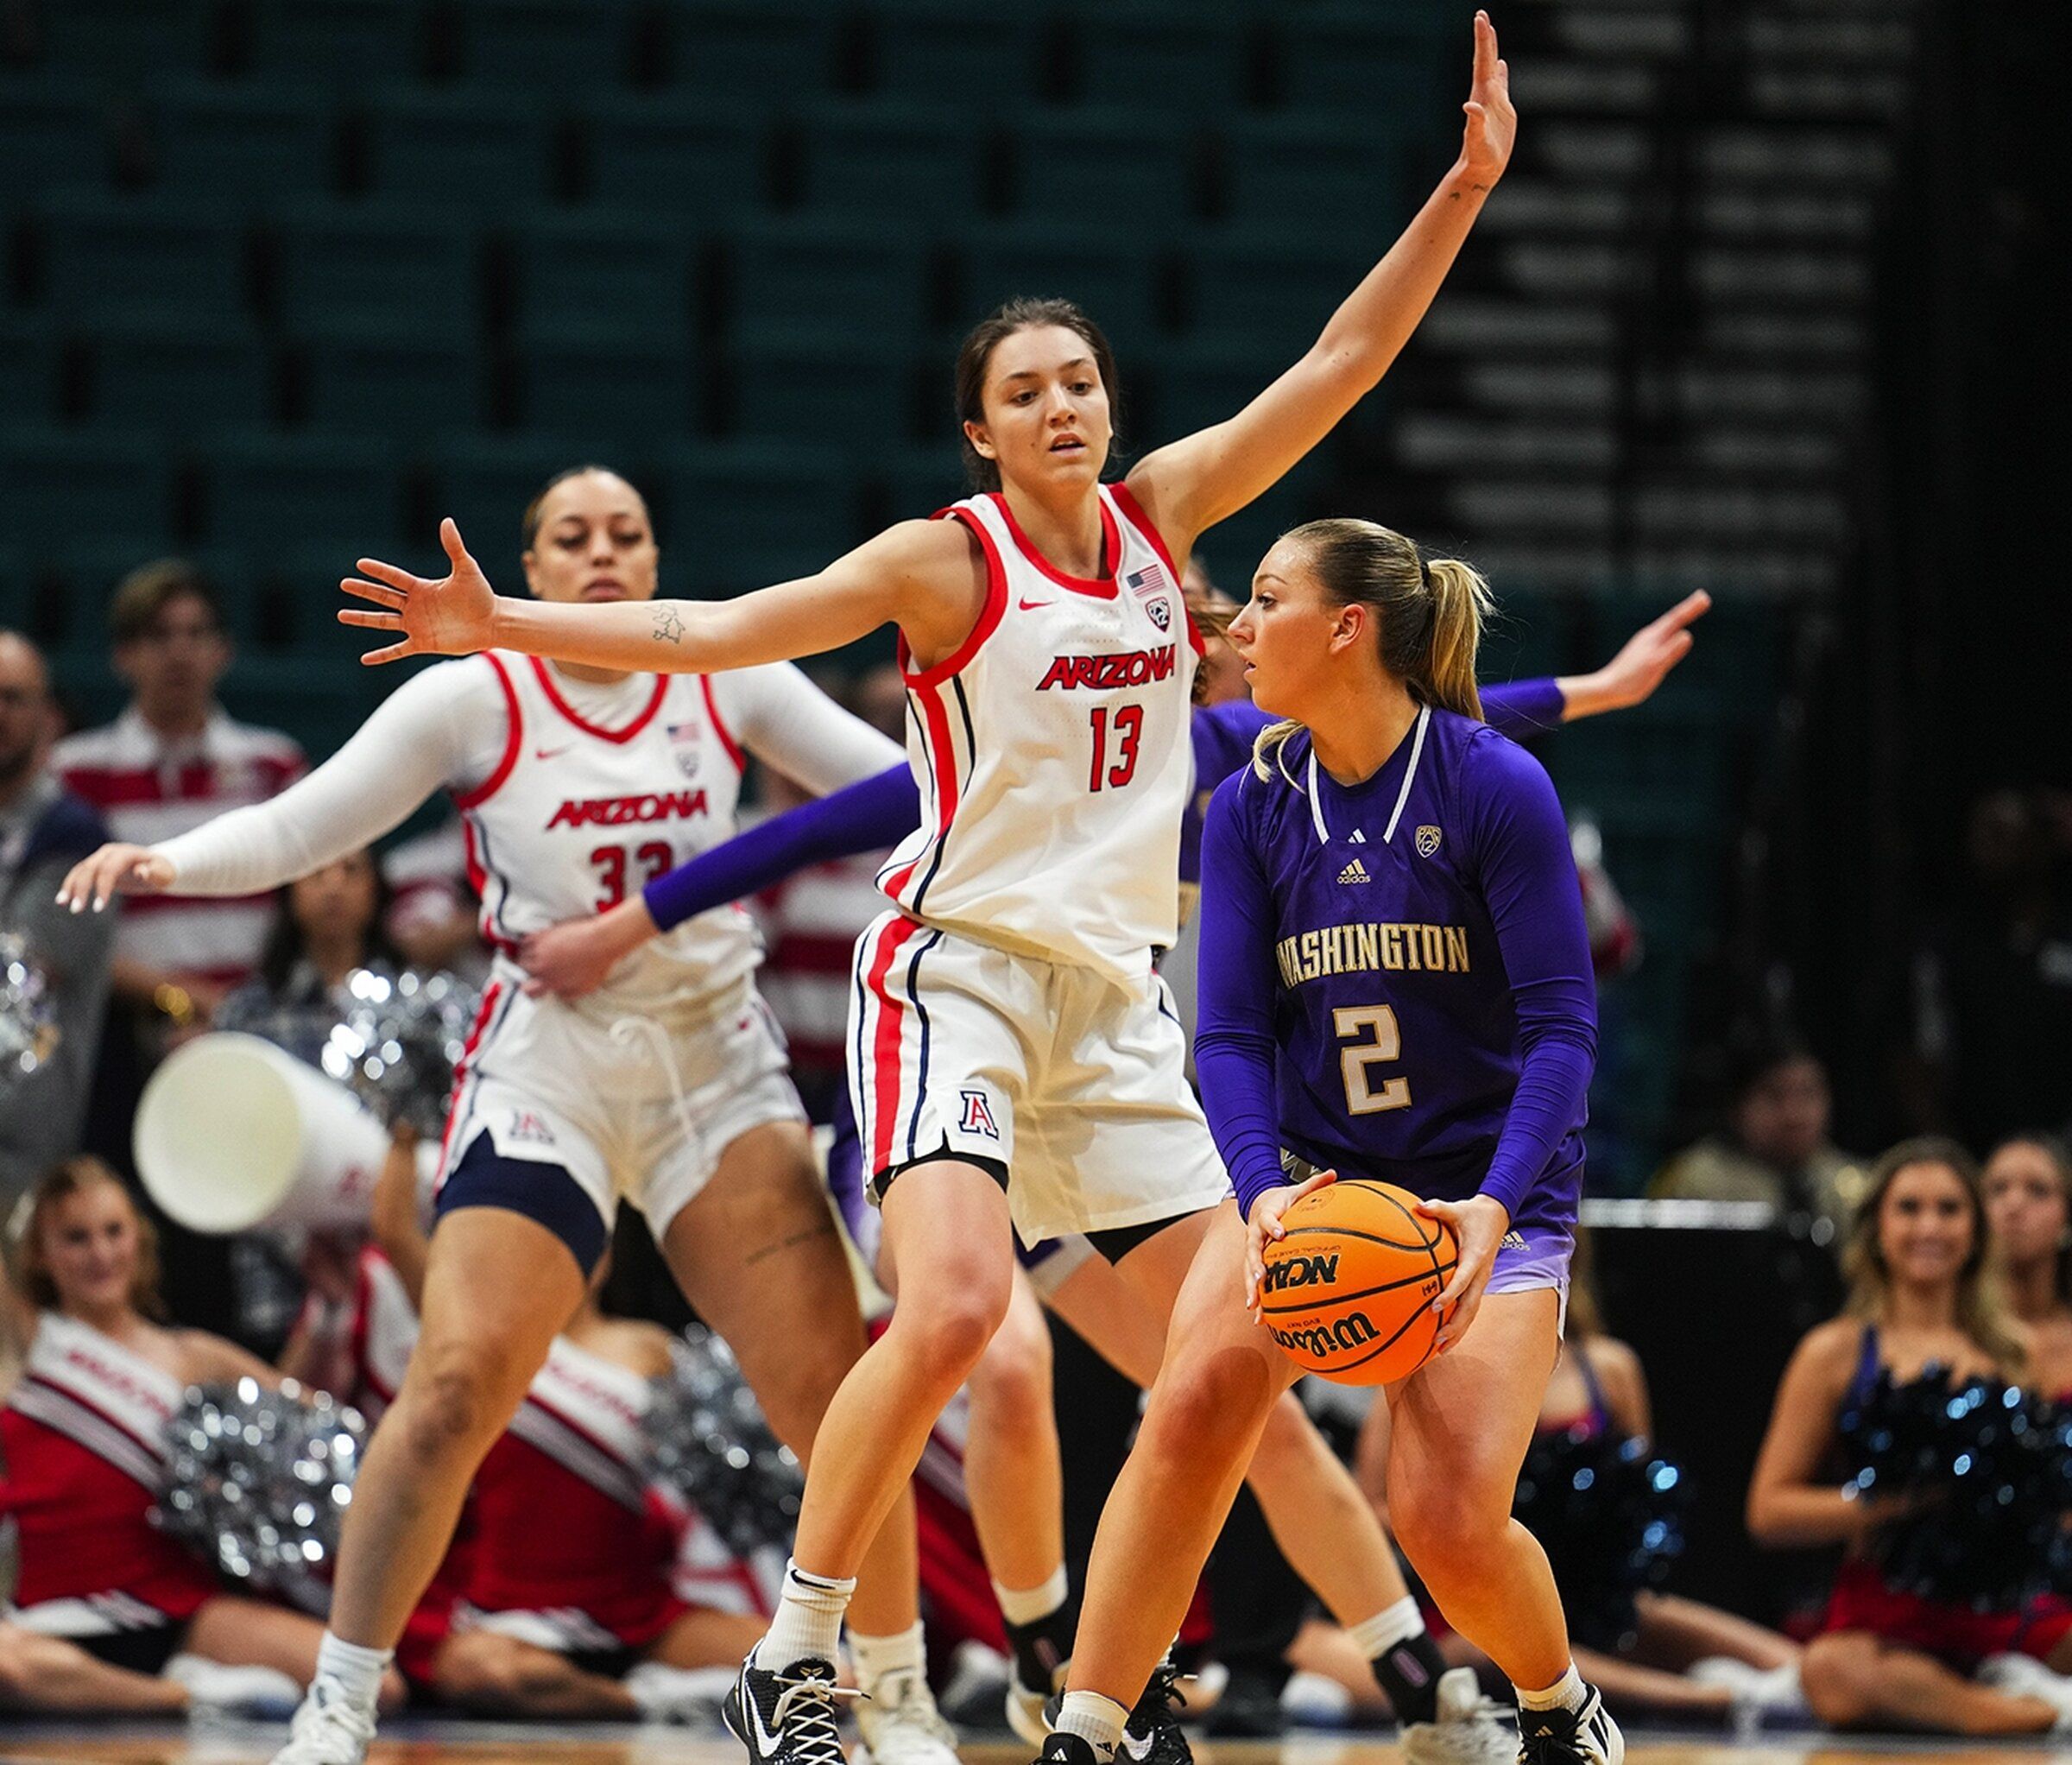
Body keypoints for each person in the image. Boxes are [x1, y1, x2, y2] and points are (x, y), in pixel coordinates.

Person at [324, 19, 1519, 1765]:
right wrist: (510, 622)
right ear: (981, 427)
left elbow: (1340, 361)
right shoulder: (944, 561)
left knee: (1238, 1349)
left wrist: (1466, 187)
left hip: (1114, 1008)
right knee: (961, 1310)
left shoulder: (1165, 516)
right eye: (1025, 387)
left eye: (1082, 382)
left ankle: (1102, 1700)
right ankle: (802, 1653)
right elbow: (714, 629)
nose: (1062, 405)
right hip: (952, 979)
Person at [513, 588, 1709, 1743]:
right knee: (997, 1352)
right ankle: (992, 1662)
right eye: (1198, 611)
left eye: (1224, 615)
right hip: (956, 1084)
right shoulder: (1018, 743)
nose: (1219, 630)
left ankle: (1409, 1671)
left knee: (1235, 1403)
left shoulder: (1232, 752)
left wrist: (1595, 690)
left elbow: (1430, 709)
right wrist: (631, 923)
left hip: (1098, 1108)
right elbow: (814, 826)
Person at [58, 467, 944, 1765]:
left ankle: (903, 1699)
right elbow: (313, 825)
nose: (601, 554)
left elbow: (914, 786)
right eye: (571, 537)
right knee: (460, 1379)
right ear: (530, 561)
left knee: (838, 1395)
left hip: (712, 1062)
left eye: (626, 535)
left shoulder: (728, 670)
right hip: (551, 1063)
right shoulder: (473, 692)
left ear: (654, 562)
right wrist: (170, 865)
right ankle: (340, 1704)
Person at [1172, 500, 1614, 1763]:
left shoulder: (1493, 785)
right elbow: (1233, 1040)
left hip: (1485, 1195)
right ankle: (1099, 1706)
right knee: (1194, 1402)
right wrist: (1260, 1196)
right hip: (1320, 1186)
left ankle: (1557, 1709)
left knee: (1448, 1524)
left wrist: (1492, 1208)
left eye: (1267, 599)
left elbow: (1564, 1034)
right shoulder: (1251, 804)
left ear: (1348, 626)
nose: (1239, 627)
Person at [0, 1157, 405, 1718]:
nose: (100, 1254)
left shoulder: (191, 1355)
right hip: (53, 1620)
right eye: (75, 1238)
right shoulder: (28, 1342)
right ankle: (184, 1697)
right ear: (41, 1254)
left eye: (114, 1232)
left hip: (178, 1611)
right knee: (9, 1665)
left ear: (138, 1239)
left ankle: (151, 1686)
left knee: (375, 1686)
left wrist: (332, 1308)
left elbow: (300, 1417)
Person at [1356, 1238, 1804, 1727]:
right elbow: (1372, 1504)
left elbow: (1638, 1492)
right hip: (1479, 1595)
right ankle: (1715, 1702)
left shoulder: (1609, 1368)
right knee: (1487, 1650)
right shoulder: (1419, 1362)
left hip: (1589, 1594)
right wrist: (1464, 1523)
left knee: (1746, 1647)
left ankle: (1797, 1681)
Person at [1747, 1138, 2072, 1737]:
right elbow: (1769, 1511)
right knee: (1831, 1671)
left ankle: (1995, 1694)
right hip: (1882, 1620)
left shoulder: (2011, 1357)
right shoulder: (1836, 1352)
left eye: (1949, 1209)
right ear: (1876, 1229)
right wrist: (1901, 1501)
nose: (1930, 1226)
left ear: (1976, 1232)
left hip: (1999, 1611)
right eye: (1909, 1208)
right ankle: (2013, 1714)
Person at [52, 560, 305, 1039]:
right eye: (159, 635)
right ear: (123, 654)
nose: (179, 652)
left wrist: (236, 1012)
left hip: (264, 1026)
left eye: (195, 634)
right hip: (125, 1031)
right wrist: (179, 999)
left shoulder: (274, 763)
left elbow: (309, 902)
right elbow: (62, 923)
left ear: (223, 650)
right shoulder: (74, 772)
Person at [0, 631, 114, 1205]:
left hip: (22, 1143)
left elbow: (19, 976)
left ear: (47, 717)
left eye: (13, 698)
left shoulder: (75, 835)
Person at [1650, 1038, 1867, 1243]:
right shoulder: (1695, 1182)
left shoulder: (1855, 1185)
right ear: (1736, 1107)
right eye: (1774, 1096)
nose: (1794, 1115)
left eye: (1808, 1094)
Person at [1981, 1133, 2072, 1399]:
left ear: (2067, 1218)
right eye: (1998, 1189)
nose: (2014, 1204)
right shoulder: (1953, 1332)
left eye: (2038, 1190)